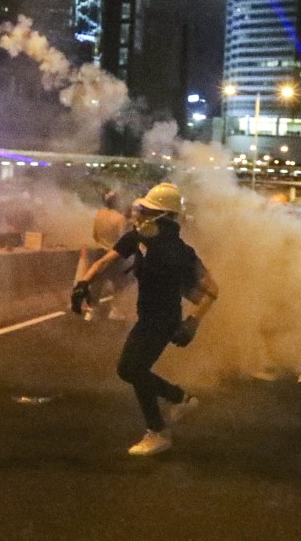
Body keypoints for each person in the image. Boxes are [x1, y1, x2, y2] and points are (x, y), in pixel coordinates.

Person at [71, 182, 219, 456]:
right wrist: (83, 283)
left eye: (147, 211)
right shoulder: (137, 239)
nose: (139, 215)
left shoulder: (181, 253)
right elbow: (107, 261)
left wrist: (192, 322)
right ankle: (177, 404)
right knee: (135, 370)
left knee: (131, 370)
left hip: (163, 321)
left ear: (163, 217)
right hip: (148, 317)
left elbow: (211, 290)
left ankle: (163, 426)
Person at [89, 191, 130, 319]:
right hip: (114, 254)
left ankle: (91, 310)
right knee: (119, 283)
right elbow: (122, 240)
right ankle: (115, 310)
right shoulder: (120, 218)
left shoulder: (99, 215)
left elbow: (94, 235)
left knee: (97, 282)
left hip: (99, 252)